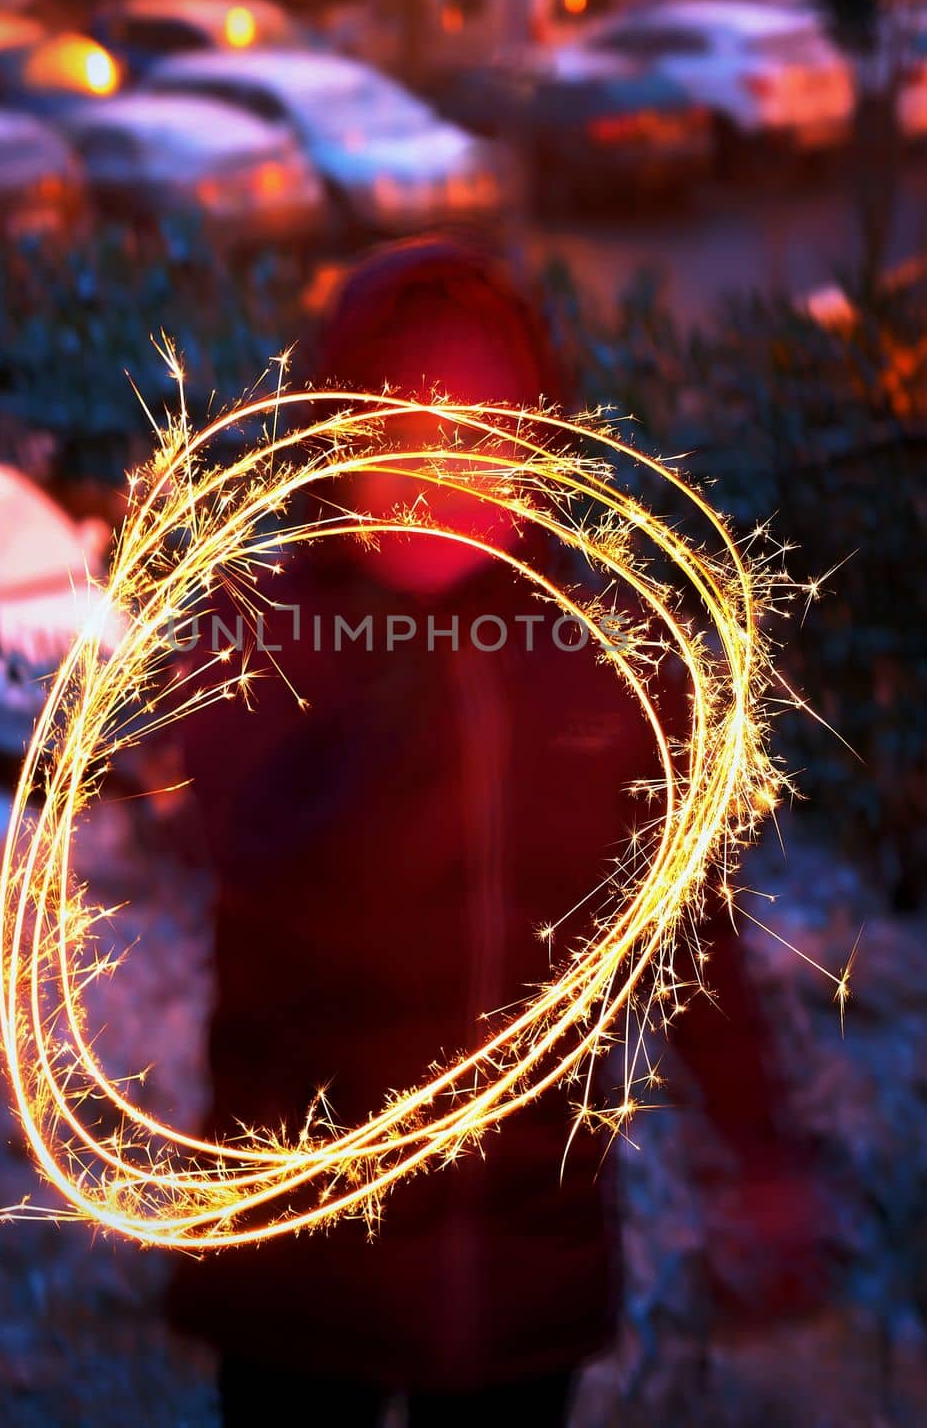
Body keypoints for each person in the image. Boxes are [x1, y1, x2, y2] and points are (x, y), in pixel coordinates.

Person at [167, 239, 822, 1425]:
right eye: (395, 436)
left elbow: (683, 938)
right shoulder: (264, 643)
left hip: (524, 1271)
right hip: (306, 1261)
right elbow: (238, 845)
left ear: (536, 451)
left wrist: (762, 1157)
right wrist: (383, 723)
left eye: (477, 437)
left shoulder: (603, 669)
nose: (435, 478)